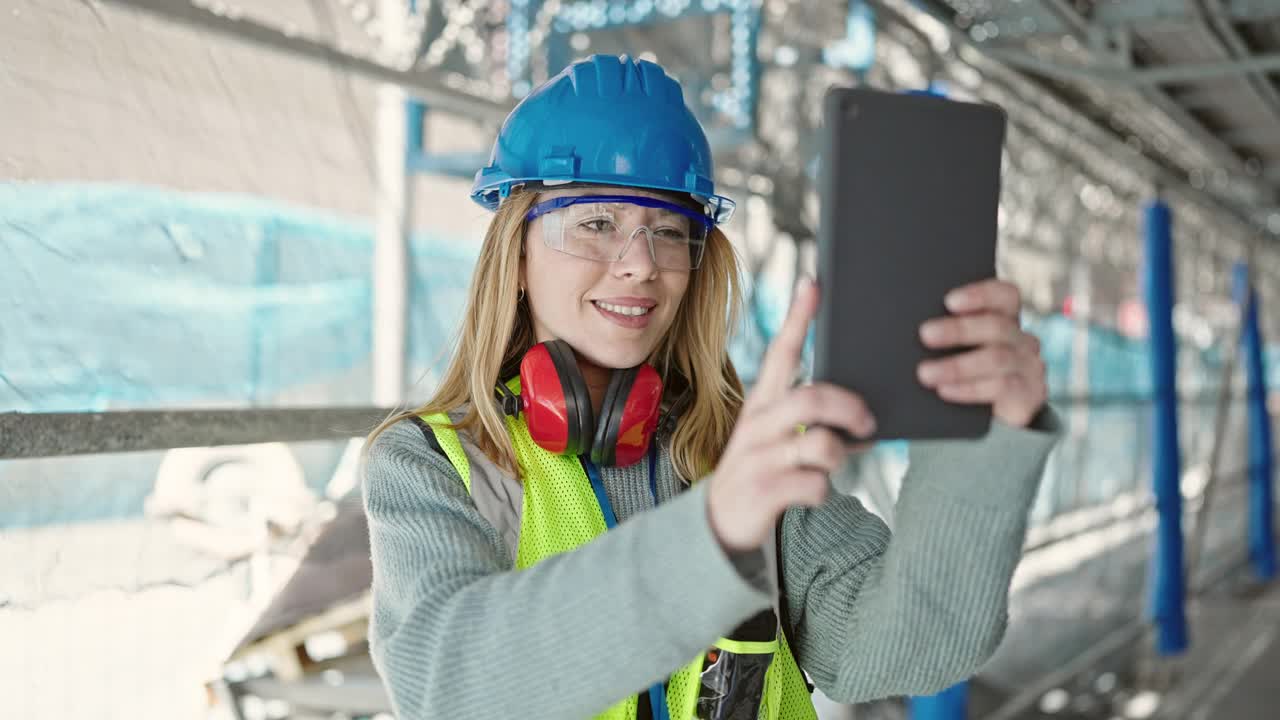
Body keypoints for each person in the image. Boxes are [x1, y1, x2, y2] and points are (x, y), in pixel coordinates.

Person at [362, 54, 1059, 720]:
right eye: (597, 224)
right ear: (516, 254)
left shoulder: (747, 455)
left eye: (670, 231)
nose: (641, 264)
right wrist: (712, 535)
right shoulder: (431, 465)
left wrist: (983, 444)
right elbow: (444, 686)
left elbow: (915, 649)